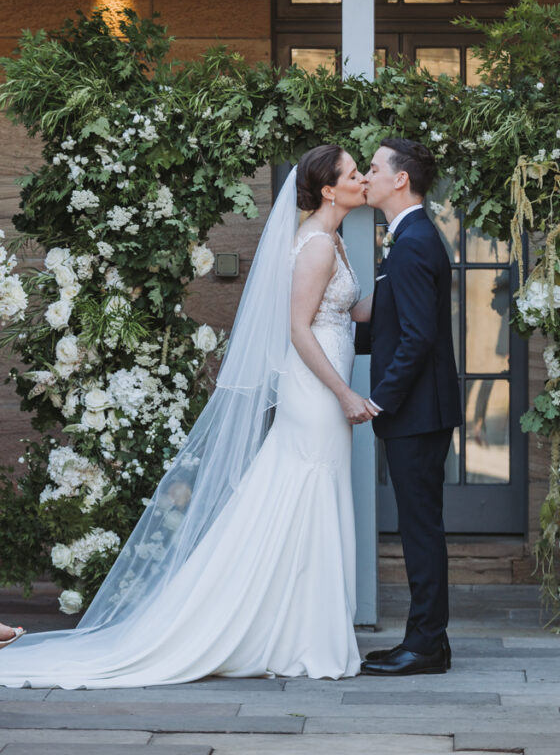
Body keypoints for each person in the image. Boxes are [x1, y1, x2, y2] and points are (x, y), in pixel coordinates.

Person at [0, 146, 370, 687]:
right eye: (355, 173)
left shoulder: (332, 238)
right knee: (305, 493)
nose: (363, 179)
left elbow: (348, 309)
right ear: (331, 189)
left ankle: (299, 627)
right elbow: (297, 329)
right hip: (316, 392)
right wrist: (342, 393)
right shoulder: (314, 244)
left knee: (302, 498)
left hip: (325, 388)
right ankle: (297, 635)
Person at [358, 138, 462, 676]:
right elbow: (391, 326)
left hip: (417, 412)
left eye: (374, 168)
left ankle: (425, 645)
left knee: (421, 527)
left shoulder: (417, 239)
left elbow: (418, 338)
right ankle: (427, 640)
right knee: (420, 525)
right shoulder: (409, 237)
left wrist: (378, 400)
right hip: (418, 411)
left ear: (401, 179)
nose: (367, 175)